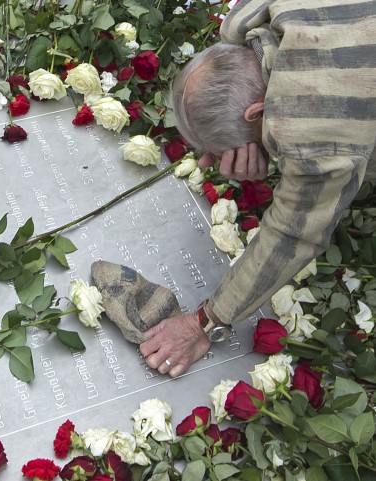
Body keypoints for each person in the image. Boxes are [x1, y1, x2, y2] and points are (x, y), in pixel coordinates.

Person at [140, 0, 376, 377]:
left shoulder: (309, 130)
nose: (210, 163)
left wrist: (203, 322)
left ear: (255, 112)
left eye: (217, 153)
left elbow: (291, 235)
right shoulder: (256, 17)